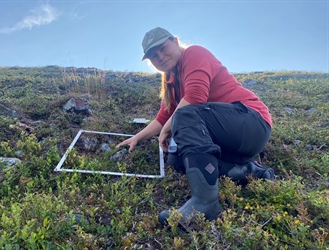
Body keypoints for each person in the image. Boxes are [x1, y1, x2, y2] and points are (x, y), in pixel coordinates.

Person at [116, 27, 275, 225]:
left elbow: (195, 97)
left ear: (175, 41)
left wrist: (170, 125)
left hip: (252, 123)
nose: (161, 57)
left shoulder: (194, 53)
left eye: (163, 48)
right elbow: (163, 117)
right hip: (231, 140)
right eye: (154, 57)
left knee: (184, 115)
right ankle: (248, 171)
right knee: (177, 159)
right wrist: (137, 138)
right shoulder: (172, 82)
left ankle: (205, 204)